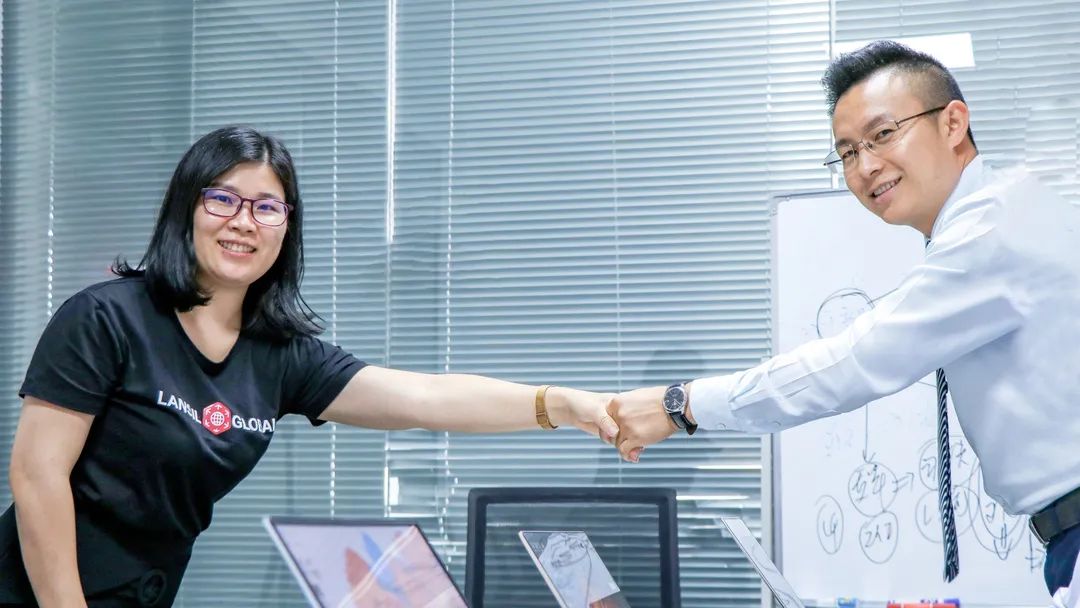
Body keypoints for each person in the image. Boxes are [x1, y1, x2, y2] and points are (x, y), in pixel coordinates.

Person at [0, 125, 621, 607]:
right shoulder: (107, 317)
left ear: (286, 227)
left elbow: (424, 398)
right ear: (186, 207)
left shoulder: (279, 354)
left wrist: (560, 404)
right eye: (223, 199)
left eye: (266, 208)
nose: (243, 222)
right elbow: (37, 475)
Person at [607, 40, 1080, 597]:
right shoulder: (1001, 214)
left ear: (953, 123)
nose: (866, 166)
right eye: (848, 152)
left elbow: (854, 361)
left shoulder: (992, 231)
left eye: (884, 134)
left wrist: (681, 405)